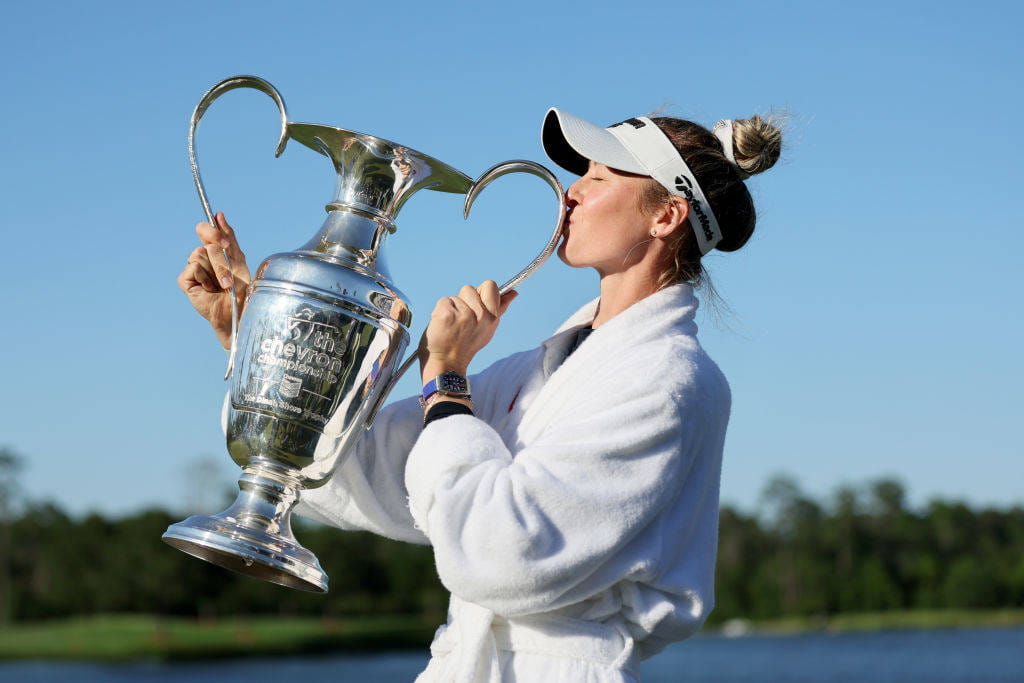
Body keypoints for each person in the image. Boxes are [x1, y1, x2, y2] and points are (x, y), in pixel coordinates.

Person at [179, 107, 783, 682]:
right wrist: (262, 338)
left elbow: (503, 557)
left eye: (597, 177)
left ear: (666, 216)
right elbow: (354, 472)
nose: (570, 192)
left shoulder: (671, 379)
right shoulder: (540, 369)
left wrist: (445, 377)